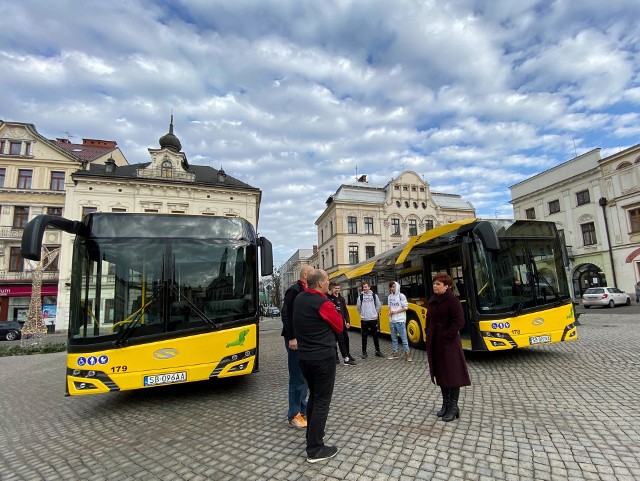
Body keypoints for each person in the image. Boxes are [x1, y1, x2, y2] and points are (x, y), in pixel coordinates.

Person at [293, 269, 344, 463]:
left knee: (314, 396)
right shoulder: (324, 303)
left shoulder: (299, 299)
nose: (329, 284)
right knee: (322, 400)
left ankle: (312, 437)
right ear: (321, 284)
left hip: (304, 358)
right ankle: (315, 449)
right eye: (328, 281)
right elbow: (339, 326)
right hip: (322, 358)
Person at [426, 272, 471, 422]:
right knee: (441, 373)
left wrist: (448, 334)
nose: (435, 286)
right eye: (434, 283)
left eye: (438, 284)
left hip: (449, 343)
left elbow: (459, 321)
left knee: (452, 374)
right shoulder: (432, 299)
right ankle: (445, 404)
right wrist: (428, 332)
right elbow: (429, 318)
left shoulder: (453, 301)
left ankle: (453, 407)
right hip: (435, 341)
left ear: (446, 286)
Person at [281, 265, 314, 429]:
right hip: (295, 341)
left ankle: (302, 408)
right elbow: (285, 313)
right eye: (313, 272)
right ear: (306, 275)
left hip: (304, 340)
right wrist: (292, 337)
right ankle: (294, 414)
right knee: (297, 378)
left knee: (304, 377)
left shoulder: (307, 290)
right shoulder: (294, 290)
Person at [327, 282, 356, 366]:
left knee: (345, 339)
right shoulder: (328, 298)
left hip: (342, 323)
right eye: (336, 288)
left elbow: (345, 311)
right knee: (336, 340)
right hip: (334, 324)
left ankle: (347, 354)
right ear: (332, 289)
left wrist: (347, 321)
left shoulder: (341, 298)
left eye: (338, 288)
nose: (337, 290)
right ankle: (337, 357)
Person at [356, 282, 383, 358]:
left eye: (366, 287)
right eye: (363, 287)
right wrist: (363, 313)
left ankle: (377, 351)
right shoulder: (360, 297)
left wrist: (374, 313)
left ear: (369, 287)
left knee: (375, 335)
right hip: (364, 319)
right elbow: (358, 307)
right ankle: (364, 353)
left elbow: (379, 306)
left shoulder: (374, 296)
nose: (365, 288)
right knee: (364, 336)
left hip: (373, 319)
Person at [386, 281, 412, 361]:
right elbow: (389, 306)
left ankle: (408, 354)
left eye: (393, 287)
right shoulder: (389, 296)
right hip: (392, 321)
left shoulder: (401, 296)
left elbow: (406, 307)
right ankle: (395, 353)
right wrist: (390, 312)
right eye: (391, 287)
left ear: (397, 287)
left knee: (404, 339)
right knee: (394, 338)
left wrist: (395, 312)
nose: (392, 288)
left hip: (400, 320)